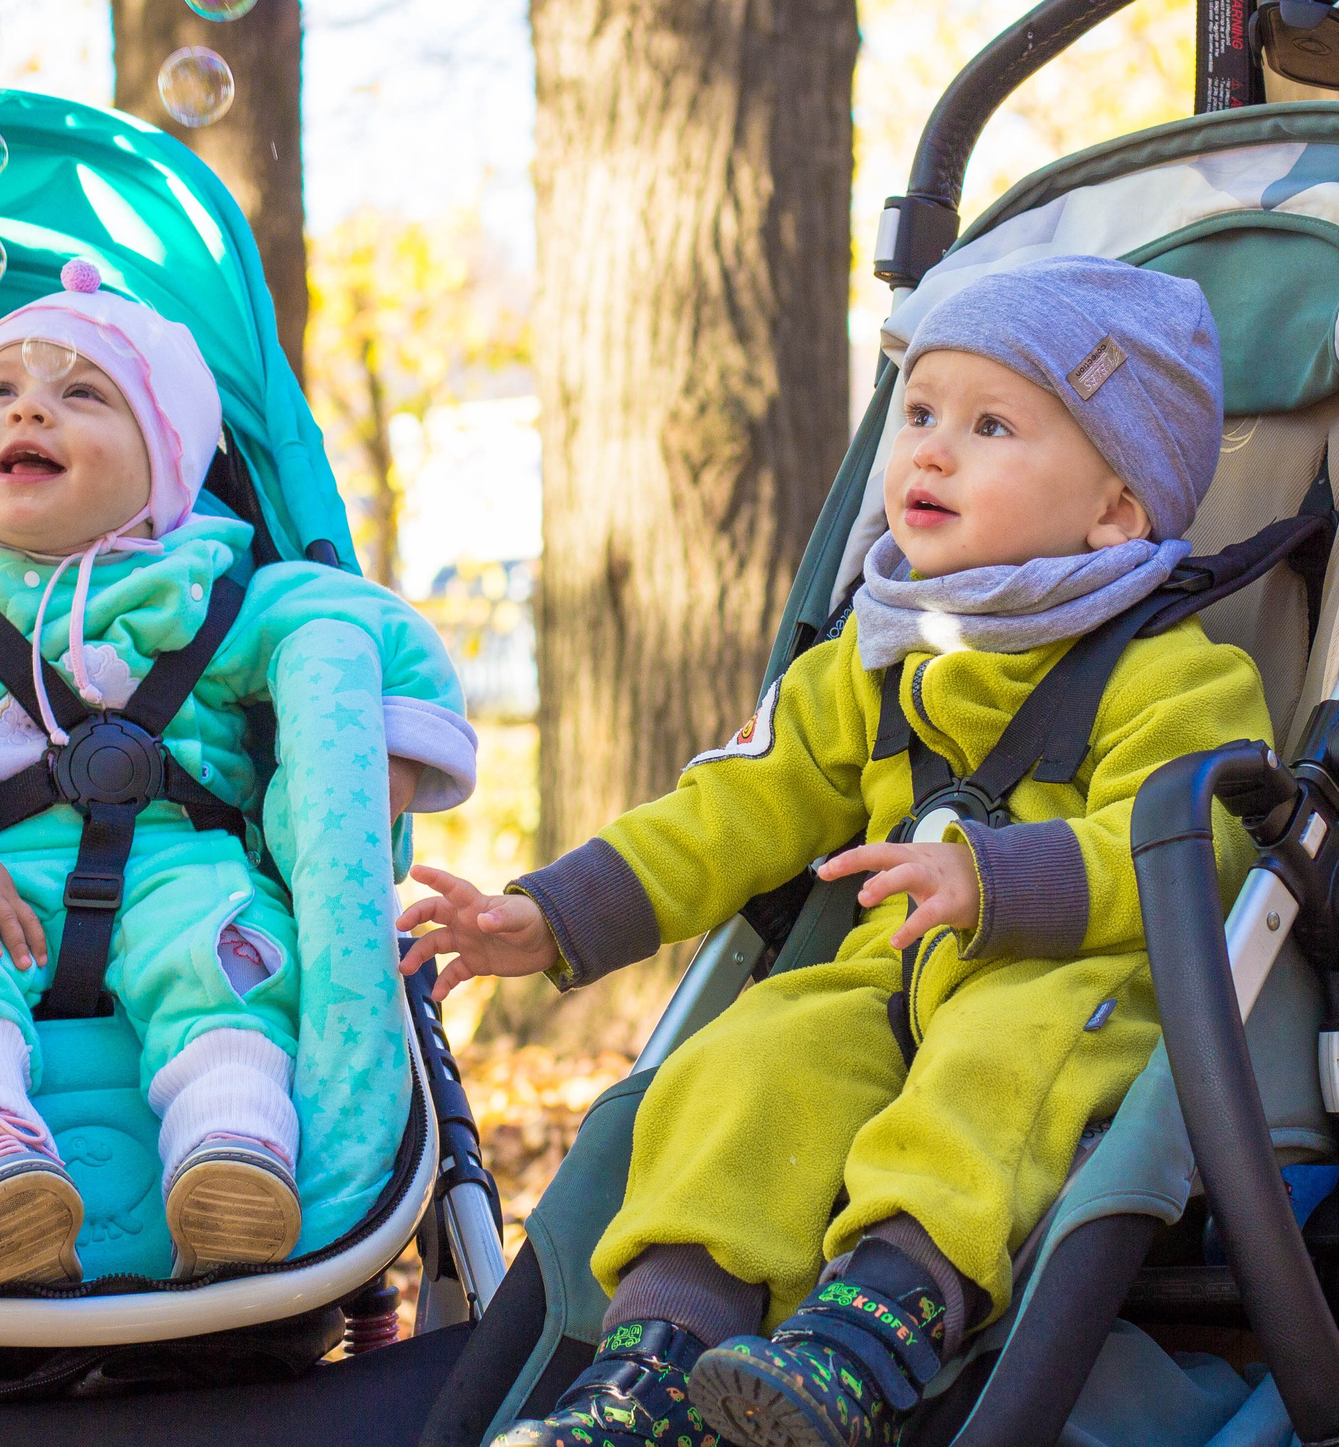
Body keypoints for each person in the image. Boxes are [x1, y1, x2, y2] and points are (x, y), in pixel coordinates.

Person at [400, 256, 1270, 1447]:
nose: (929, 450)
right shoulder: (867, 662)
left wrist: (995, 880)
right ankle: (652, 1367)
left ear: (1116, 505)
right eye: (918, 414)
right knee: (751, 1056)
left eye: (990, 424)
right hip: (887, 983)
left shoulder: (1172, 670)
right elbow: (725, 808)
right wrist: (554, 915)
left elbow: (1203, 843)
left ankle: (869, 1334)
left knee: (996, 1063)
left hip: (1079, 993)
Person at [0, 260, 476, 1289]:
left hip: (181, 866)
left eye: (80, 393)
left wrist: (389, 768)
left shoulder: (213, 596)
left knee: (234, 956)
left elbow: (382, 635)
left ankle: (232, 1149)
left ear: (168, 461)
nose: (30, 411)